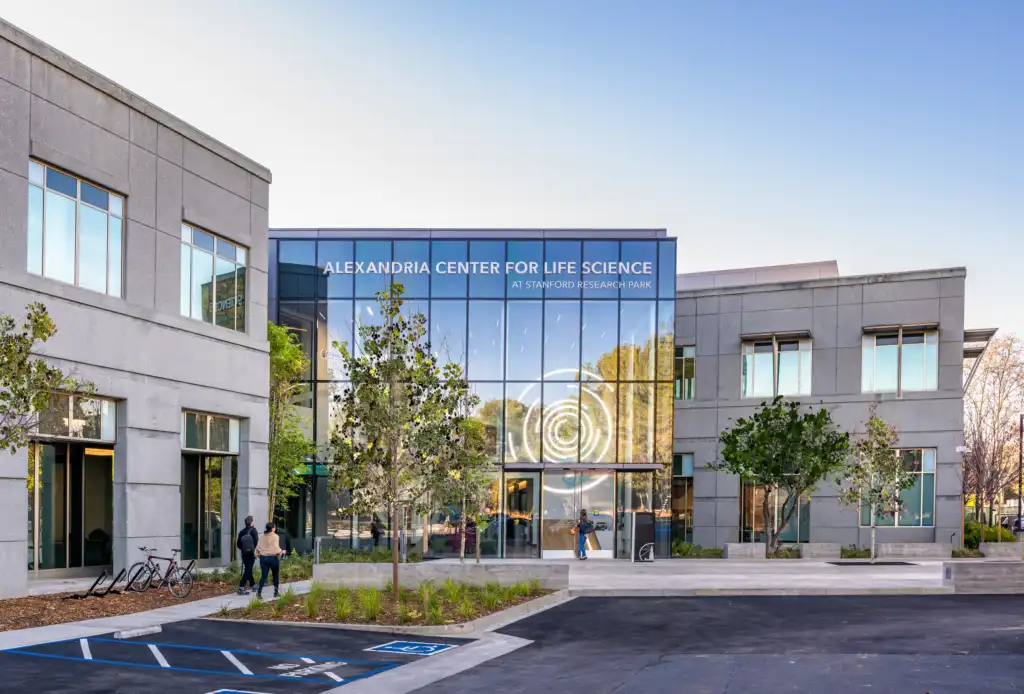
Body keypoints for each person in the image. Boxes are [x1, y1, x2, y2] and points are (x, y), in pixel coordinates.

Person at [255, 522, 285, 599]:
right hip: (273, 558)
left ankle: (259, 593)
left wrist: (259, 555)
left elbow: (258, 547)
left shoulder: (262, 536)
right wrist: (282, 552)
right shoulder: (275, 536)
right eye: (274, 527)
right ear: (272, 528)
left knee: (264, 576)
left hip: (263, 558)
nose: (275, 528)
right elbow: (276, 548)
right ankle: (276, 593)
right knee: (275, 575)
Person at [235, 516, 259, 595]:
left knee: (248, 568)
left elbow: (238, 544)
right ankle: (241, 586)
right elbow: (256, 542)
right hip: (251, 553)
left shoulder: (241, 532)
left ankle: (253, 585)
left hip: (244, 553)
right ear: (251, 522)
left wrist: (243, 549)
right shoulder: (254, 531)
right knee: (248, 569)